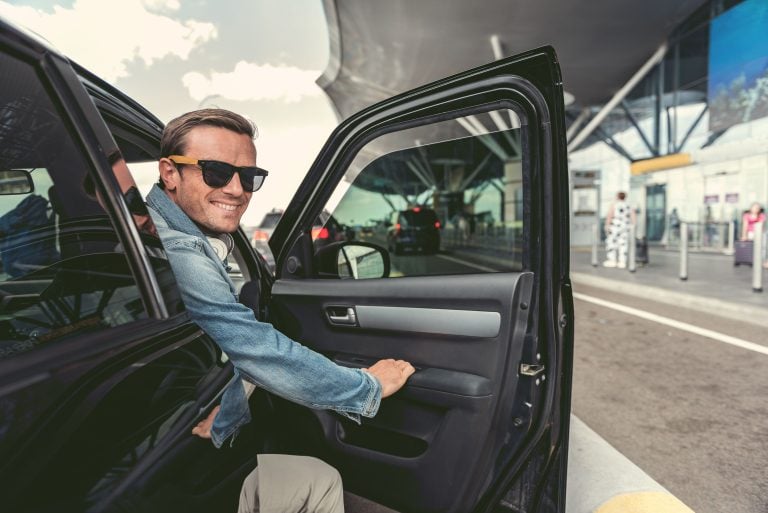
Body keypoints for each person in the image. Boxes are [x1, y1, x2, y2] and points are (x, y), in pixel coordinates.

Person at [144, 109, 415, 513]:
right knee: (320, 479)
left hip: (165, 441)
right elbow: (253, 347)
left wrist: (223, 412)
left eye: (249, 177)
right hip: (155, 467)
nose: (236, 190)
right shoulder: (183, 250)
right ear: (170, 173)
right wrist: (366, 387)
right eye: (216, 172)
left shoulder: (164, 235)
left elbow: (227, 345)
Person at [603, 191, 636, 269]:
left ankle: (612, 260)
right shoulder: (629, 205)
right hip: (625, 226)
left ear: (617, 196)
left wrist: (607, 225)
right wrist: (633, 225)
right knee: (623, 244)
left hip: (614, 226)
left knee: (612, 243)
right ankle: (622, 262)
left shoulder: (614, 204)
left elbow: (610, 215)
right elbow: (633, 216)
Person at [740, 202, 768, 269]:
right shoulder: (746, 215)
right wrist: (744, 235)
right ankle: (752, 260)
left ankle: (763, 262)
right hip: (750, 233)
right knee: (751, 247)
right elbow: (745, 226)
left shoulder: (762, 215)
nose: (756, 209)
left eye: (757, 208)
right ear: (751, 208)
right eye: (754, 207)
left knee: (763, 248)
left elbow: (761, 225)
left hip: (760, 234)